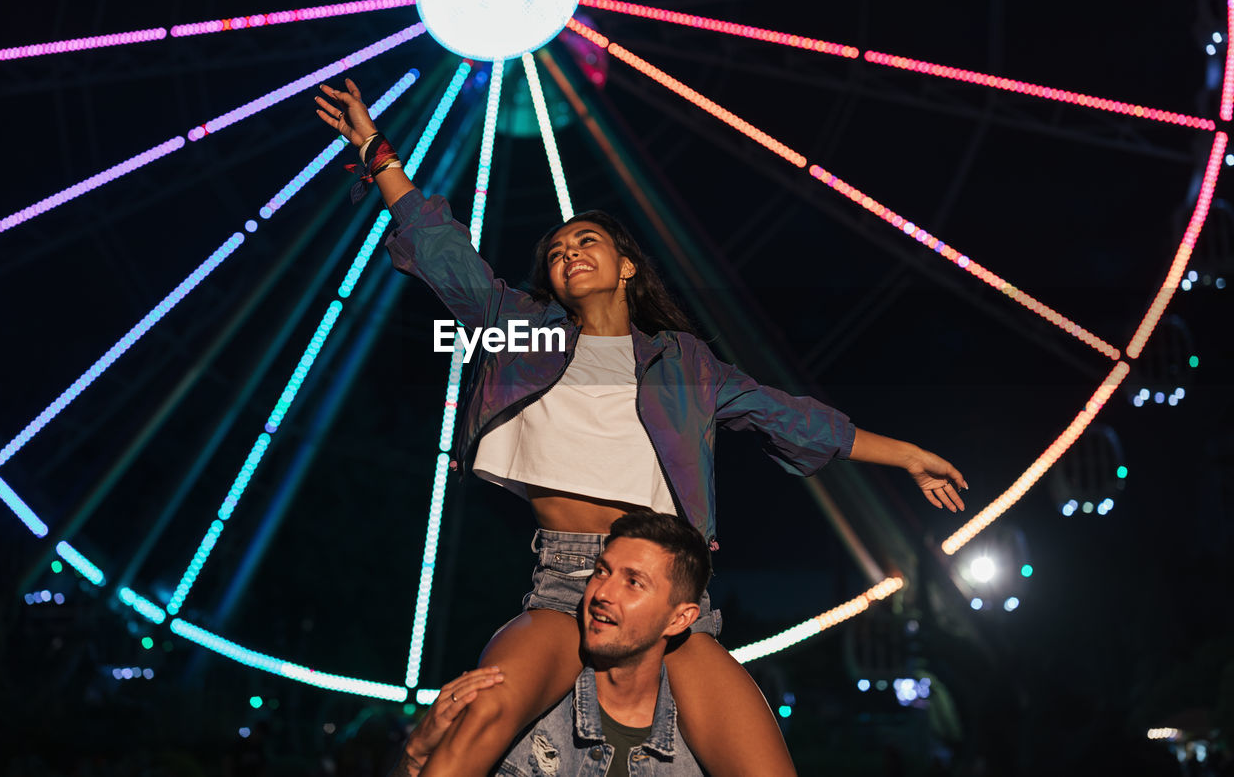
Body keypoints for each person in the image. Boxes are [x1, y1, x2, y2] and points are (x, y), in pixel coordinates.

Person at [316, 78, 968, 777]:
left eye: (586, 240)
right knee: (478, 720)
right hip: (568, 578)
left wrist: (907, 455)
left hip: (666, 587)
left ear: (627, 266)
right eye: (557, 250)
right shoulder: (521, 333)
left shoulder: (682, 364)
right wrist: (378, 152)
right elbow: (443, 254)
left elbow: (785, 416)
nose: (568, 253)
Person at [391, 512, 710, 777]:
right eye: (601, 571)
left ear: (680, 619)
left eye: (633, 583)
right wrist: (416, 752)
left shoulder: (700, 754)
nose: (601, 594)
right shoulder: (525, 711)